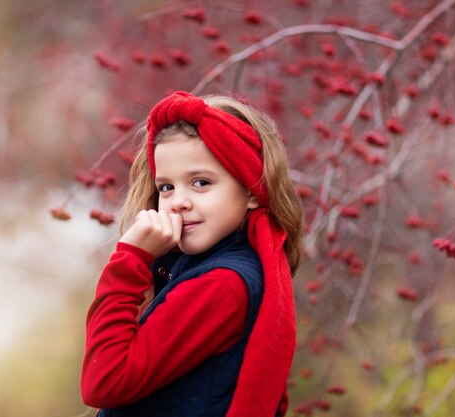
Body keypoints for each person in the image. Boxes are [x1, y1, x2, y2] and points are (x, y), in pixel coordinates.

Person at [81, 91, 304, 417]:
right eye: (167, 187)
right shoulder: (196, 269)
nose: (178, 201)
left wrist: (129, 261)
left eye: (200, 182)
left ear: (252, 189)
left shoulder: (221, 285)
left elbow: (103, 382)